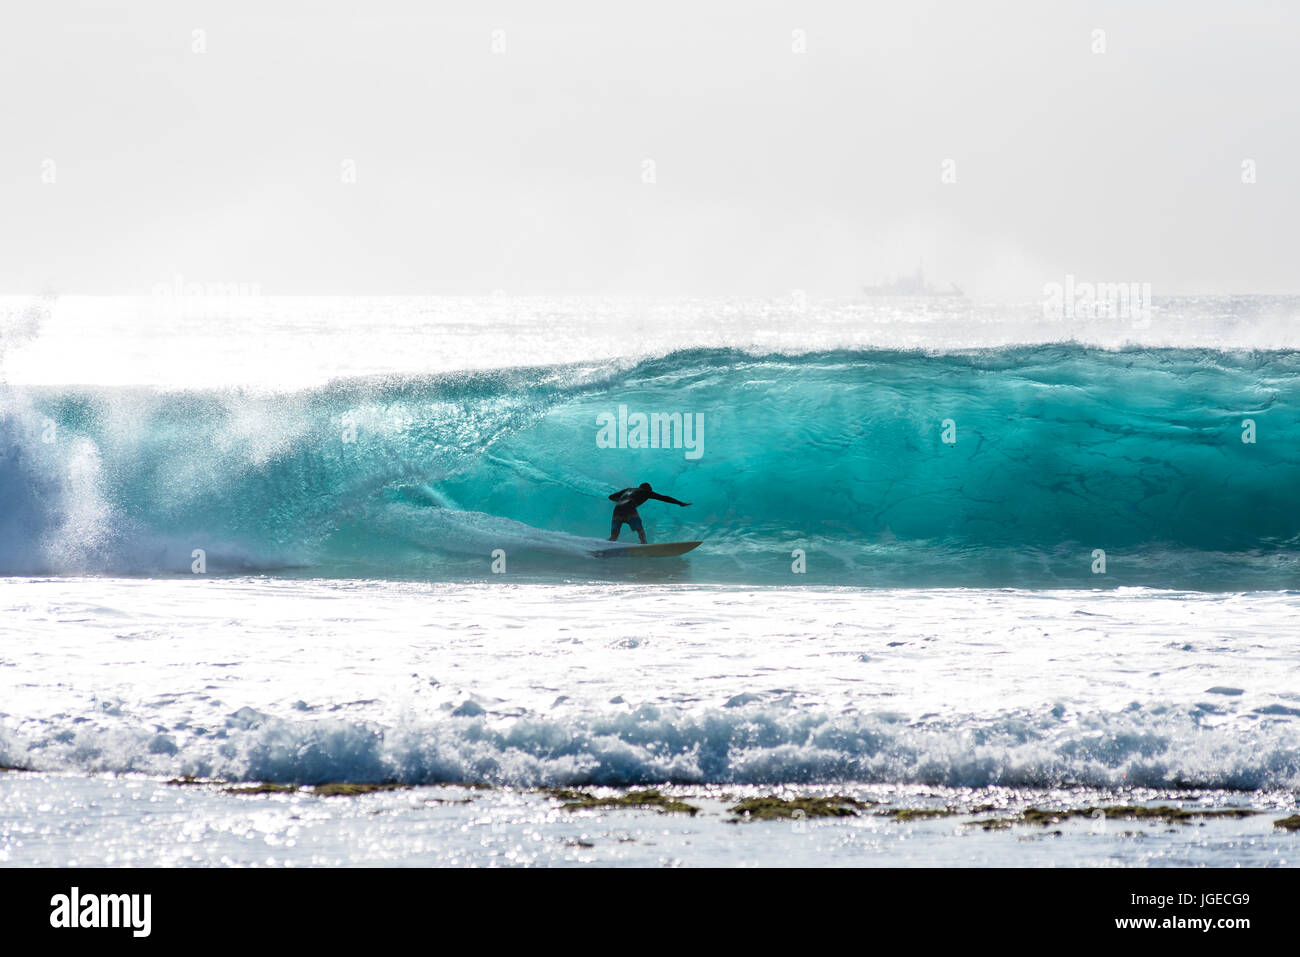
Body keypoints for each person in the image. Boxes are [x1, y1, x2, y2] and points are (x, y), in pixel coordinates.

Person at [607, 482, 690, 543]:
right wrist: (680, 503)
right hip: (629, 509)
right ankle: (644, 544)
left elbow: (611, 497)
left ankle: (609, 543)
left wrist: (621, 500)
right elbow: (663, 498)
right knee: (640, 531)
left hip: (617, 509)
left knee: (614, 536)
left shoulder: (628, 489)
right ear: (649, 489)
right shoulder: (646, 492)